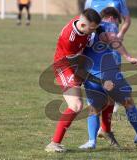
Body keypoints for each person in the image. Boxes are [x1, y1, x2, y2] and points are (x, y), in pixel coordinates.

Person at [78, 7, 137, 149]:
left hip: (90, 75)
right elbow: (113, 39)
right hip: (109, 73)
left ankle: (91, 141)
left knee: (94, 109)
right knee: (128, 103)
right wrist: (128, 57)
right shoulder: (108, 24)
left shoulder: (83, 28)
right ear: (112, 18)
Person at [45, 9, 108, 152]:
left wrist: (101, 32)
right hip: (65, 67)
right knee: (76, 105)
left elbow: (98, 26)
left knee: (103, 96)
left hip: (78, 63)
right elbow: (76, 65)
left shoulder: (85, 23)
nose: (93, 32)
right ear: (84, 26)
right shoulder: (70, 38)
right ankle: (53, 144)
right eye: (92, 29)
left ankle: (105, 129)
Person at [84, 0, 131, 143]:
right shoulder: (90, 1)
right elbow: (85, 19)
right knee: (96, 98)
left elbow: (127, 20)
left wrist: (120, 33)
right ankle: (96, 135)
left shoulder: (119, 1)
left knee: (111, 94)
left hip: (112, 51)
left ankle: (105, 130)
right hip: (94, 54)